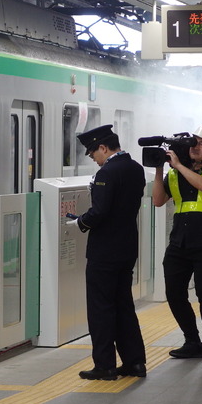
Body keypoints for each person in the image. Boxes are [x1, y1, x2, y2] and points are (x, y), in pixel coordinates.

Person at [72, 124, 147, 381]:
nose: (94, 159)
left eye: (94, 154)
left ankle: (105, 365)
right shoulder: (136, 169)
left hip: (105, 251)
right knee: (124, 305)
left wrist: (81, 221)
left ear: (104, 147)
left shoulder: (108, 171)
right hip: (127, 247)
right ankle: (135, 362)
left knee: (101, 308)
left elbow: (100, 210)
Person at [152, 123, 202, 361]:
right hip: (179, 242)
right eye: (193, 142)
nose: (195, 147)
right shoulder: (175, 173)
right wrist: (158, 170)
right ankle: (192, 340)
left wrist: (179, 166)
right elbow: (157, 200)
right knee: (174, 293)